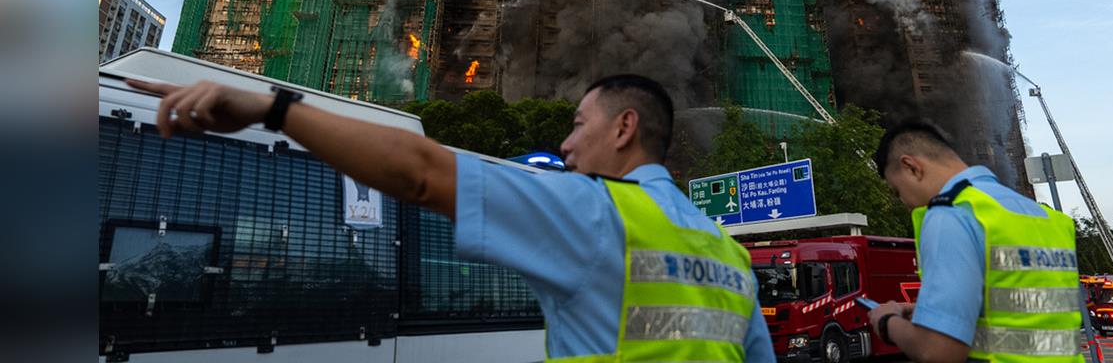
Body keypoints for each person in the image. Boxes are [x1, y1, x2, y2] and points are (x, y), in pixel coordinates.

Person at [127, 73, 772, 362]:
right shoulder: (729, 252)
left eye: (578, 125)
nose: (567, 145)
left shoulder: (595, 210)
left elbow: (420, 171)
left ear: (626, 128)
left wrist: (272, 110)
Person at [866, 119, 1085, 363]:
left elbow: (938, 351)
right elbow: (1024, 310)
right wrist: (926, 314)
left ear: (911, 167)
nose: (905, 203)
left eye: (897, 191)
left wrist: (887, 321)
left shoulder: (951, 214)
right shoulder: (1048, 218)